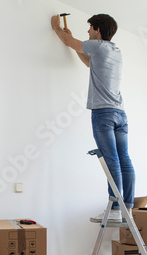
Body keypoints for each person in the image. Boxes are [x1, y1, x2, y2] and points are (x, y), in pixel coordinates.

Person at [50, 13, 135, 222]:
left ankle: (115, 208)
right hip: (120, 114)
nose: (87, 32)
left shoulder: (98, 46)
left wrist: (56, 27)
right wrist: (70, 41)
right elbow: (89, 63)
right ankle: (127, 207)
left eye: (89, 28)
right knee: (123, 158)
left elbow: (69, 41)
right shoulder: (115, 50)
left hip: (103, 113)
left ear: (97, 29)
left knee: (111, 159)